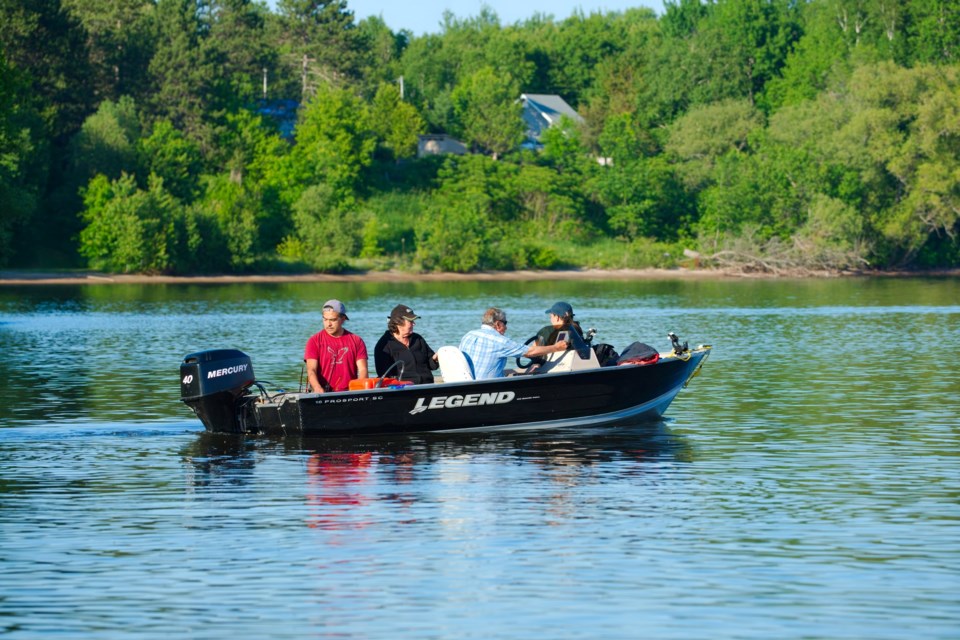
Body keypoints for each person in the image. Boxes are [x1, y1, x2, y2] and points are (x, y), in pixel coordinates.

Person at [458, 307, 568, 380]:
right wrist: (557, 347)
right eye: (505, 323)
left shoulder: (468, 335)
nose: (506, 327)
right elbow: (530, 352)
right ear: (497, 324)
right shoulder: (499, 341)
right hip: (488, 387)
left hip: (466, 381)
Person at [304, 299, 368, 393]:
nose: (328, 324)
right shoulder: (314, 341)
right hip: (323, 393)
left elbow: (363, 370)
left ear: (343, 319)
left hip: (350, 393)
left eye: (333, 320)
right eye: (325, 319)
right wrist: (317, 388)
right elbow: (311, 370)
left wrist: (358, 389)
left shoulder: (357, 341)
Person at [373, 304, 439, 384]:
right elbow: (384, 376)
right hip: (403, 390)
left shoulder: (418, 339)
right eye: (410, 321)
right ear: (398, 322)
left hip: (427, 386)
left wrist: (435, 358)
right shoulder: (384, 345)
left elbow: (431, 365)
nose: (414, 324)